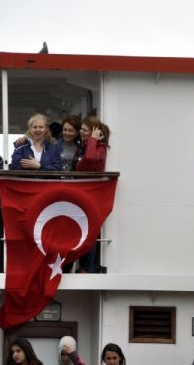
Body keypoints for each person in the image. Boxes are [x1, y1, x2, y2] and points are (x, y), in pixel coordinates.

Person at [74, 115, 110, 273]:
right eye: (81, 129)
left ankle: (87, 267)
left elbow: (90, 158)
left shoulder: (101, 148)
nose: (81, 132)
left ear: (95, 131)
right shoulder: (82, 146)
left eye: (85, 130)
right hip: (81, 191)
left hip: (93, 193)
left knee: (91, 229)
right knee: (79, 229)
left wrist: (94, 140)